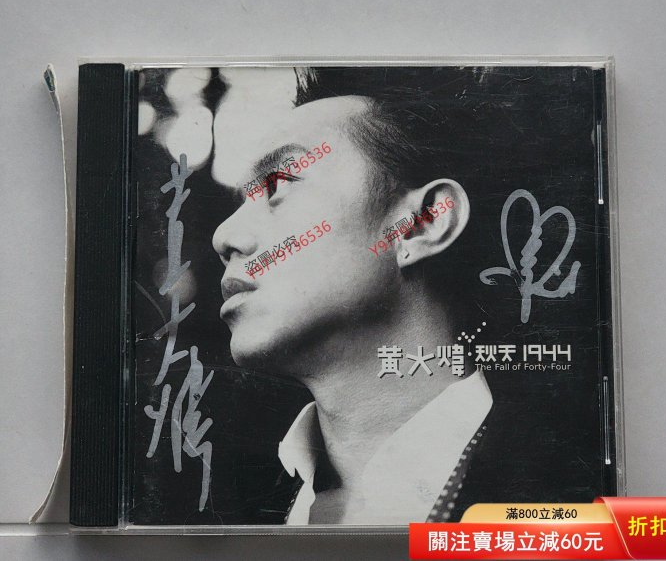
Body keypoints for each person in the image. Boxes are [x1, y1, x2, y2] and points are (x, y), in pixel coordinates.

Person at [211, 67, 559, 525]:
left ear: (424, 222)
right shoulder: (231, 509)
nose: (224, 236)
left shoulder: (566, 496)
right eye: (243, 199)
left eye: (278, 184)